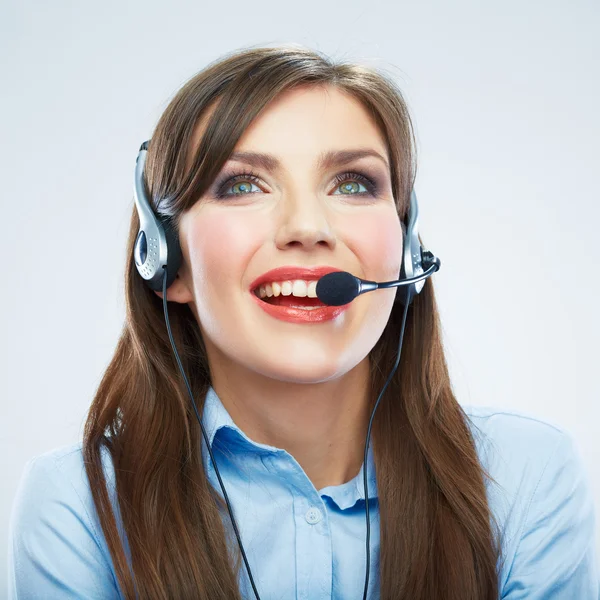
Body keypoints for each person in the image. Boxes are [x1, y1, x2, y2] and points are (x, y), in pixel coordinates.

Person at [7, 44, 599, 600]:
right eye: (242, 184)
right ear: (166, 258)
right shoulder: (80, 507)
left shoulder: (523, 482)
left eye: (353, 183)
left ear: (408, 252)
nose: (307, 225)